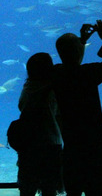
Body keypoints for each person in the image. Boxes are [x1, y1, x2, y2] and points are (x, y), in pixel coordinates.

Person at [53, 19, 102, 196]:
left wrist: (80, 40)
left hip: (71, 142)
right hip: (94, 142)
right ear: (81, 50)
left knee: (74, 190)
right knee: (96, 190)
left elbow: (71, 60)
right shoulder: (89, 73)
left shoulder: (56, 73)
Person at [17, 52, 63, 196]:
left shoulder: (27, 87)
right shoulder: (53, 89)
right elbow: (59, 113)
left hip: (27, 144)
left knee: (27, 187)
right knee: (49, 187)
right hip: (50, 143)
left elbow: (20, 106)